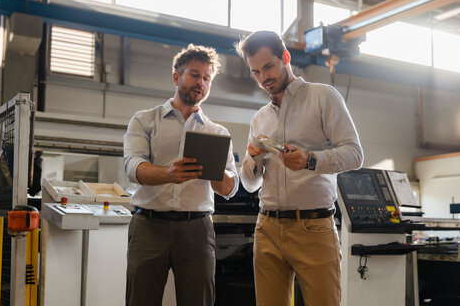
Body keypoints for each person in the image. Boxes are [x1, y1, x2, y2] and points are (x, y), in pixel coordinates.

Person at [235, 31, 363, 306]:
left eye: (268, 66)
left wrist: (310, 159)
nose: (263, 77)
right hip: (267, 228)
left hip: (314, 228)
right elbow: (249, 184)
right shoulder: (259, 118)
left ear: (286, 57)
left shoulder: (323, 97)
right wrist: (253, 158)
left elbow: (355, 154)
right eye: (256, 71)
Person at [123, 44, 239, 306]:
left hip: (197, 229)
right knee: (140, 300)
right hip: (149, 227)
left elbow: (230, 187)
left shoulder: (218, 133)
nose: (201, 83)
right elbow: (132, 166)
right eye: (195, 75)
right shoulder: (144, 120)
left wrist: (215, 171)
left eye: (207, 78)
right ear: (176, 77)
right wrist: (168, 173)